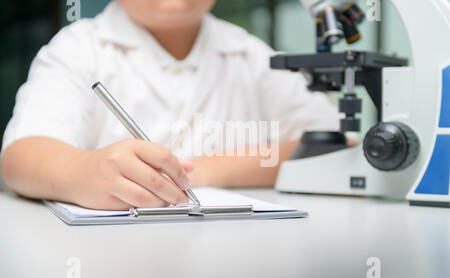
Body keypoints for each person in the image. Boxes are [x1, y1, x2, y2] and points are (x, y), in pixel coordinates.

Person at [0, 0, 338, 210]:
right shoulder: (77, 49)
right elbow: (20, 157)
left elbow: (337, 146)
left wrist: (206, 171)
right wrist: (81, 172)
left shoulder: (252, 56)